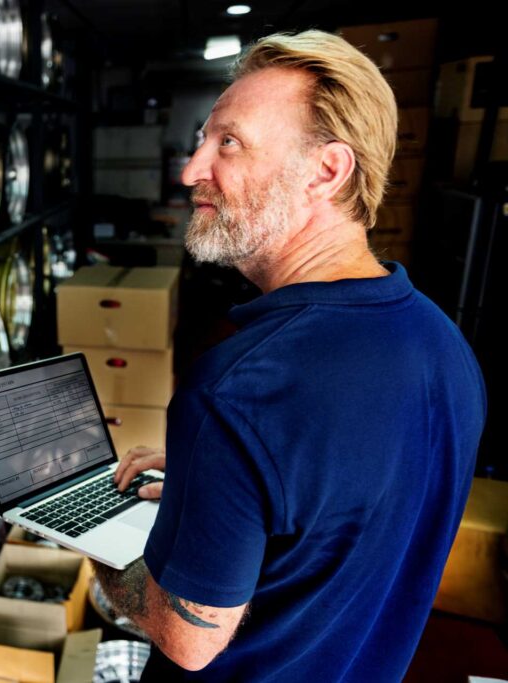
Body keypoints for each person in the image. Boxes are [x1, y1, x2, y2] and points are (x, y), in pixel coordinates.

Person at [92, 30, 487, 681]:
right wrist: (218, 481)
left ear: (326, 171)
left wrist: (99, 551)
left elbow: (185, 633)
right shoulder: (445, 350)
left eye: (229, 142)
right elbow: (341, 504)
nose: (192, 171)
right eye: (201, 139)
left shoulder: (238, 390)